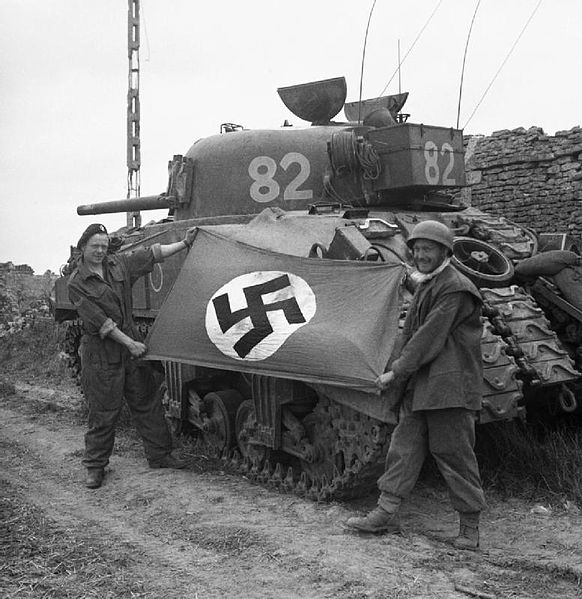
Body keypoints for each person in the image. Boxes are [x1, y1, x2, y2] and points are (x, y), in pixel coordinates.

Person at [345, 220, 487, 550]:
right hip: (424, 383)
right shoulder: (429, 282)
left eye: (429, 249)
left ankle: (469, 527)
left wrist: (396, 371)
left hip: (449, 384)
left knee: (453, 454)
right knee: (403, 447)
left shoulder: (455, 287)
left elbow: (428, 338)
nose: (421, 255)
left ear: (445, 252)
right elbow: (412, 334)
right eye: (418, 249)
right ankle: (384, 512)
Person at [68, 223, 197, 489]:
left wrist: (184, 244)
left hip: (129, 349)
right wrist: (130, 344)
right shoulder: (77, 281)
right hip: (102, 353)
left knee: (147, 403)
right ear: (83, 247)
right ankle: (95, 466)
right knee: (103, 411)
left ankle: (160, 455)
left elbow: (151, 254)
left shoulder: (117, 265)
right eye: (95, 246)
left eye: (104, 246)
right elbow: (99, 322)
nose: (100, 251)